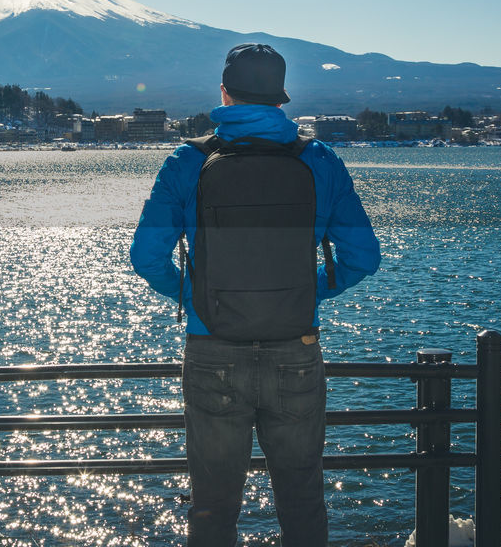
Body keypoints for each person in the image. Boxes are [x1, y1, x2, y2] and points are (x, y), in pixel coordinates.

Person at [130, 43, 381, 546]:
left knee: (213, 504)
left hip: (213, 349)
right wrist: (310, 292)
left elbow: (146, 256)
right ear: (280, 99)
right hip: (296, 350)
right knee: (302, 496)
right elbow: (363, 257)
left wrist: (194, 293)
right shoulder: (319, 160)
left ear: (224, 92)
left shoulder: (187, 161)